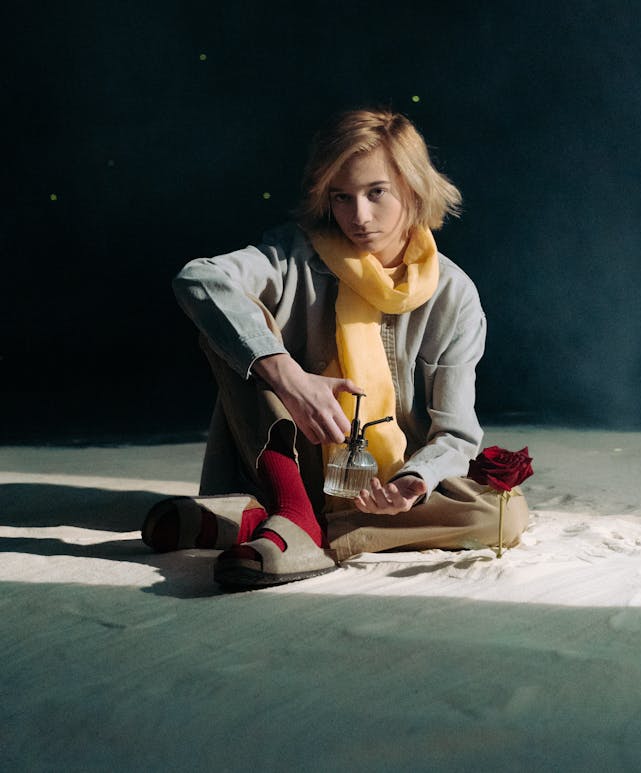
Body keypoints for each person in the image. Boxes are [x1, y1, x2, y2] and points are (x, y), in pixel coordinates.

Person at [142, 108, 528, 589]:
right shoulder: (293, 255)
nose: (358, 217)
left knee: (501, 518)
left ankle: (269, 524)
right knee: (236, 317)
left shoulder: (454, 295)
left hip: (380, 486)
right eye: (342, 198)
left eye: (376, 193)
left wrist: (414, 483)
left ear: (413, 187)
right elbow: (199, 279)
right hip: (289, 462)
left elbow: (456, 433)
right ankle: (292, 511)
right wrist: (290, 377)